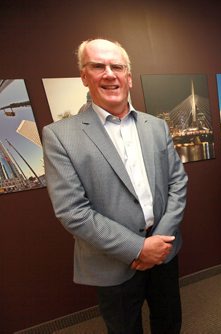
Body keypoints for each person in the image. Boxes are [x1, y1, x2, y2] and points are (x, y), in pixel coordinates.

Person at [43, 38, 188, 333]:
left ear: (129, 77)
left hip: (164, 250)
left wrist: (158, 242)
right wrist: (138, 248)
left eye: (117, 66)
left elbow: (178, 183)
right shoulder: (60, 136)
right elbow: (72, 211)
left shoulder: (156, 126)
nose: (109, 74)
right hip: (113, 262)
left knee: (169, 322)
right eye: (98, 66)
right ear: (84, 76)